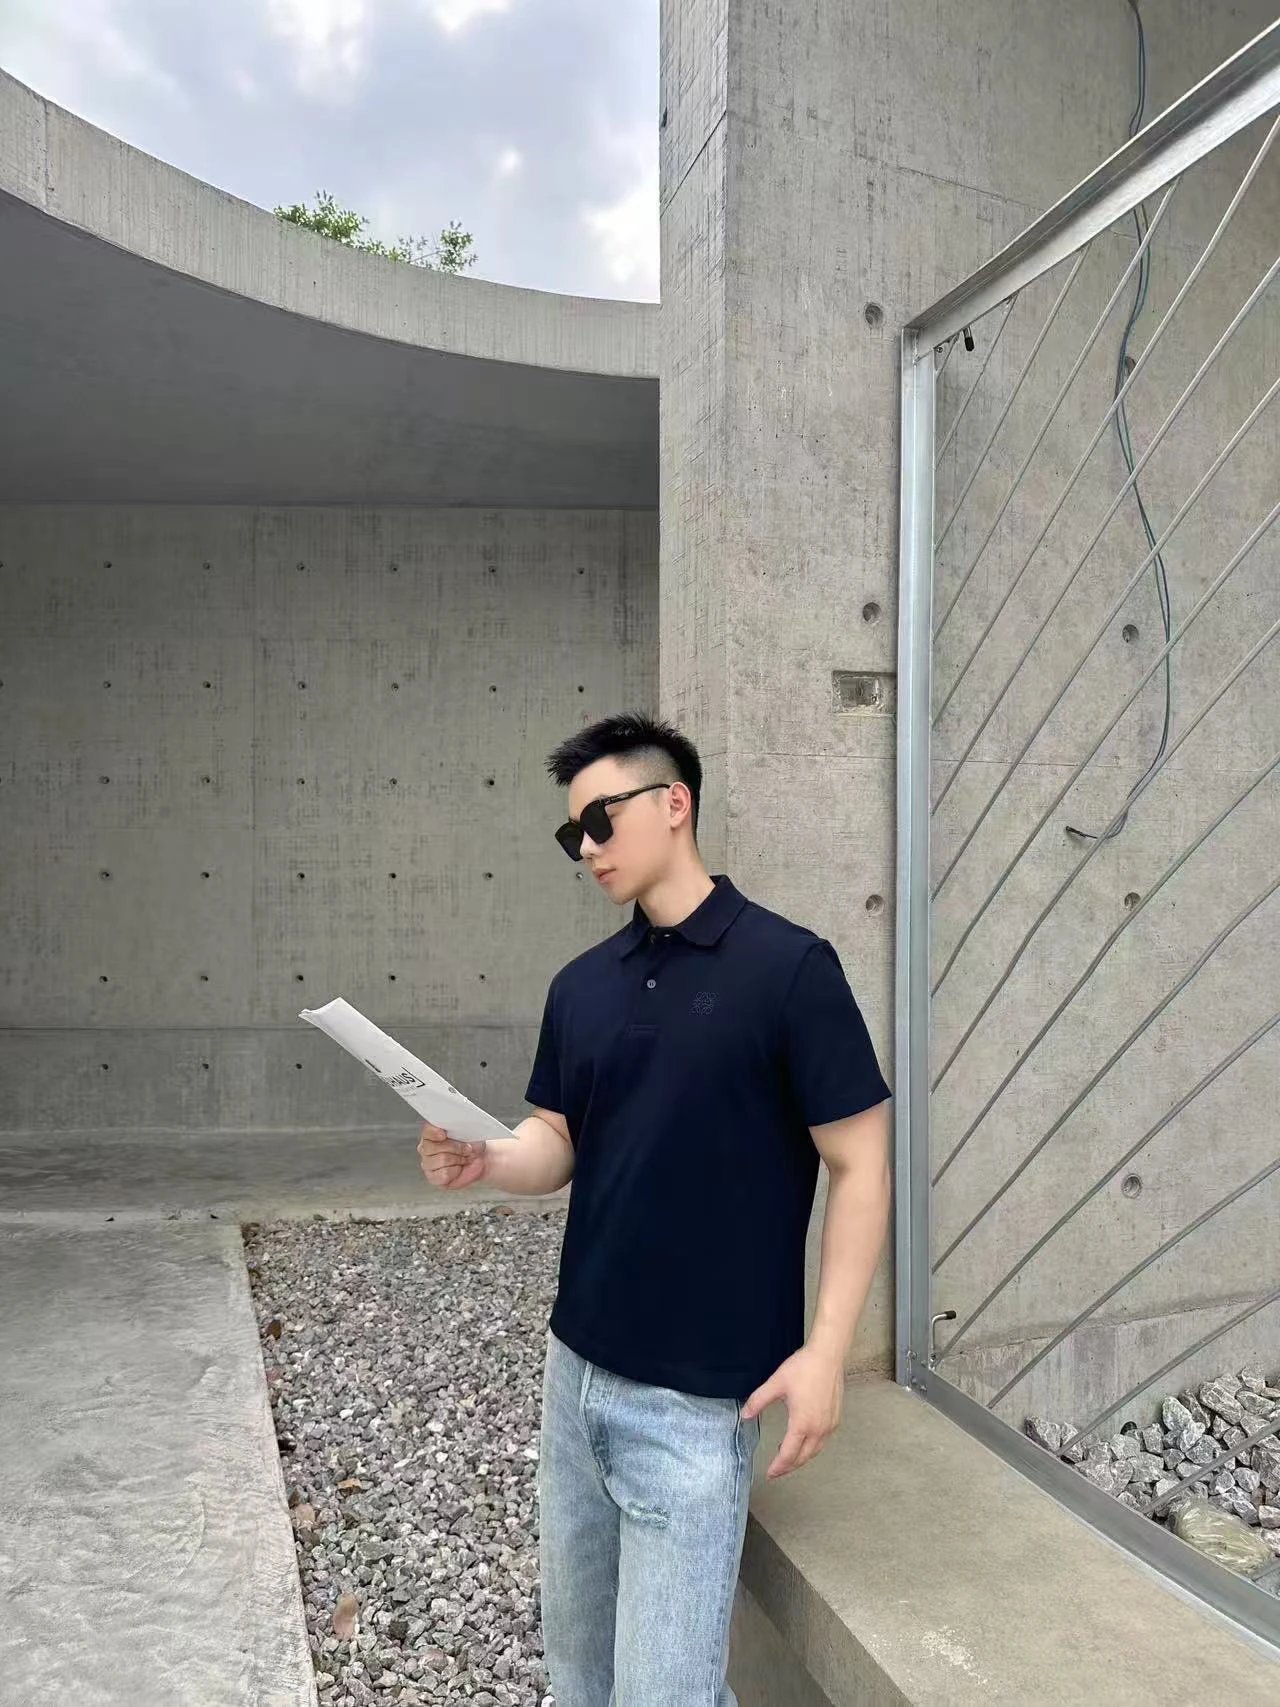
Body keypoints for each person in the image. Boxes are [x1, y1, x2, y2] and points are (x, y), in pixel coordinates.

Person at [418, 711, 892, 1707]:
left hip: (695, 1406)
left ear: (674, 803)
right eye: (571, 833)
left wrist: (826, 1353)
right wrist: (486, 1157)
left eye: (600, 820)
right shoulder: (582, 986)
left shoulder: (788, 970)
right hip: (574, 1378)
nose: (586, 848)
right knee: (579, 1677)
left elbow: (860, 1163)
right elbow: (557, 1142)